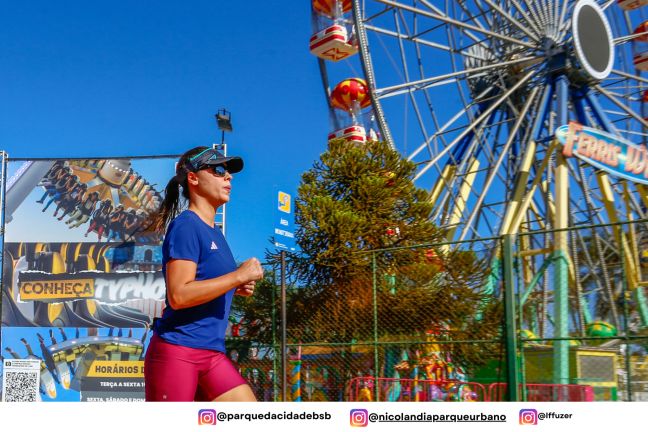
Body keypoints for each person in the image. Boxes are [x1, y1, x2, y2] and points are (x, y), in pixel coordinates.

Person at [144, 146, 263, 402]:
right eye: (219, 170)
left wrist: (234, 287)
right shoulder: (186, 226)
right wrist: (236, 277)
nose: (228, 176)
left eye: (228, 171)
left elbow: (204, 281)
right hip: (177, 351)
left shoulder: (216, 233)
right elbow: (179, 295)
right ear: (193, 178)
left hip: (211, 354)